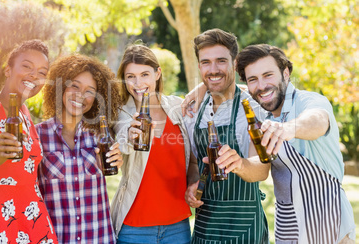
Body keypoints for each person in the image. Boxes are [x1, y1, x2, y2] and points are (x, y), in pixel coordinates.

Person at [0, 54, 124, 243]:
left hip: (99, 237)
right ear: (62, 87)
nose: (81, 95)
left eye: (90, 91)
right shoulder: (36, 136)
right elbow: (13, 176)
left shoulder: (101, 137)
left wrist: (117, 159)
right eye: (74, 86)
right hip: (53, 236)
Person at [235, 44, 356, 244]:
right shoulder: (260, 113)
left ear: (285, 73)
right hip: (288, 227)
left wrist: (289, 128)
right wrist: (239, 164)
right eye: (253, 80)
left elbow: (317, 120)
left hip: (328, 224)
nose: (262, 86)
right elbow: (227, 85)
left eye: (268, 75)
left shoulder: (309, 101)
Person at [0, 40, 58, 243]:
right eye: (27, 66)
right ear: (8, 70)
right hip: (0, 214)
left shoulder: (25, 115)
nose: (34, 75)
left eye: (42, 72)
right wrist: (1, 151)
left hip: (32, 213)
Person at [183, 28, 269, 244]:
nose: (213, 70)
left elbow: (262, 168)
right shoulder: (193, 110)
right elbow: (194, 161)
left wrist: (239, 164)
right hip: (204, 229)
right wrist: (194, 183)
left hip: (245, 229)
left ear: (234, 62)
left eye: (221, 61)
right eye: (205, 62)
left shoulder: (252, 108)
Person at [110, 44, 199, 244]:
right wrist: (131, 137)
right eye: (130, 76)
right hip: (134, 228)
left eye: (144, 74)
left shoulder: (178, 107)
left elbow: (192, 162)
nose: (138, 82)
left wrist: (195, 184)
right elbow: (122, 139)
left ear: (157, 73)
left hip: (178, 227)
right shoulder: (121, 114)